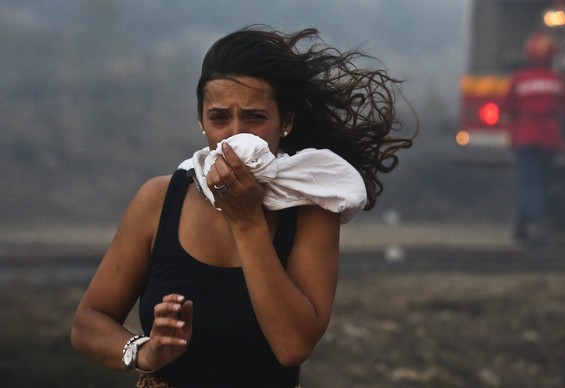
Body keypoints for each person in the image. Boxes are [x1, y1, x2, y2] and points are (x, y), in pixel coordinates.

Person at [71, 25, 413, 387]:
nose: (235, 134)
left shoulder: (311, 210)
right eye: (219, 118)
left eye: (254, 117)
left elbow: (293, 346)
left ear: (286, 122)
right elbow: (88, 322)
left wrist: (247, 219)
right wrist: (145, 351)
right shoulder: (160, 200)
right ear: (202, 122)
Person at [502, 31, 565, 248]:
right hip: (549, 140)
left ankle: (535, 229)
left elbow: (508, 108)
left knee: (530, 183)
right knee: (540, 182)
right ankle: (523, 229)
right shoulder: (557, 81)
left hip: (525, 138)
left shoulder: (519, 80)